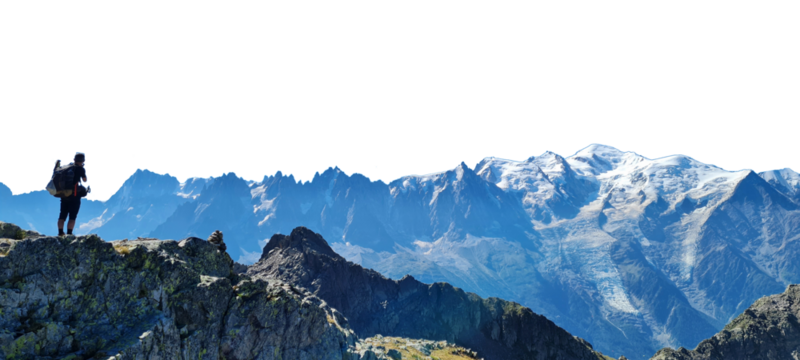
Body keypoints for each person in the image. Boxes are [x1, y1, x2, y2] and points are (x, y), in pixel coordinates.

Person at [57, 152, 89, 236]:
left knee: (62, 215)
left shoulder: (66, 167)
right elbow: (85, 180)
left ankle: (60, 232)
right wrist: (82, 170)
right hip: (74, 195)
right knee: (72, 216)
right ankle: (69, 234)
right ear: (83, 161)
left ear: (74, 159)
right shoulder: (80, 169)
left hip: (64, 194)